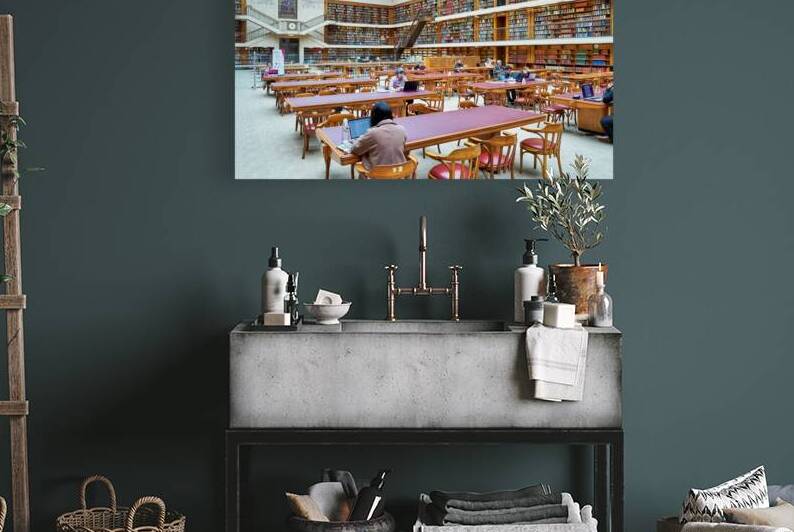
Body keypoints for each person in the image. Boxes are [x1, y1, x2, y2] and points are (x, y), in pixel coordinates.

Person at [351, 102, 408, 172]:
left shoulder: (372, 133)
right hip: (398, 174)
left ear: (374, 117)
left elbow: (355, 149)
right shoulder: (402, 129)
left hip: (377, 176)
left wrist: (362, 136)